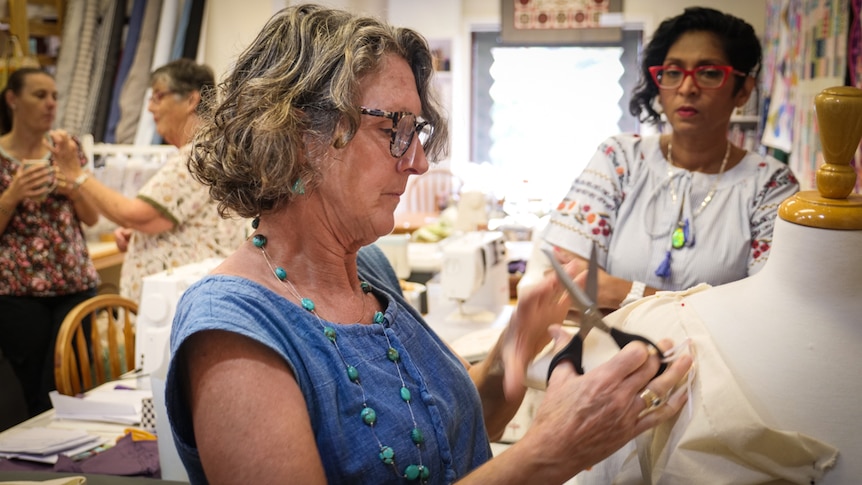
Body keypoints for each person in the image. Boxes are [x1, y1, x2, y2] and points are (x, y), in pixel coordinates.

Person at [163, 5, 693, 484]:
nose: (417, 161)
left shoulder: (367, 272)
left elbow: (447, 436)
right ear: (299, 133)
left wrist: (518, 341)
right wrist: (551, 451)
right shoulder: (233, 329)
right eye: (394, 129)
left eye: (417, 132)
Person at [521, 7, 800, 310]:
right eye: (673, 72)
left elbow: (768, 308)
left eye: (709, 73)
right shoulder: (620, 159)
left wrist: (621, 291)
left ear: (743, 90)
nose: (687, 87)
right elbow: (560, 281)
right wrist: (702, 305)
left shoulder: (772, 186)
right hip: (607, 352)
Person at [55, 59, 248, 304]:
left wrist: (77, 175)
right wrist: (140, 233)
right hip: (196, 299)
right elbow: (157, 219)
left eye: (158, 97)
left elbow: (137, 214)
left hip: (184, 304)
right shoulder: (214, 149)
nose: (150, 108)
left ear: (191, 100)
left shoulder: (197, 154)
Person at [0, 67, 100, 418]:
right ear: (13, 99)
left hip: (76, 285)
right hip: (18, 293)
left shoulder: (66, 150)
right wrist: (12, 196)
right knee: (37, 393)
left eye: (54, 96)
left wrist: (72, 184)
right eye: (40, 95)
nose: (50, 104)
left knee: (72, 386)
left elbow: (91, 217)